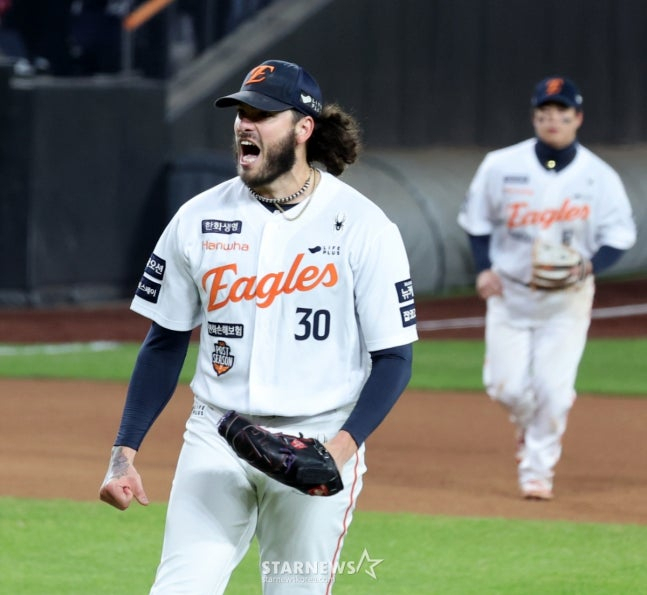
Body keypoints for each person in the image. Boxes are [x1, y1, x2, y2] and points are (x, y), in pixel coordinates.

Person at [99, 59, 418, 593]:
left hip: (317, 435)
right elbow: (164, 342)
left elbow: (395, 358)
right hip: (217, 435)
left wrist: (336, 453)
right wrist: (122, 455)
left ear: (303, 128)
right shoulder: (197, 218)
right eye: (241, 112)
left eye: (263, 114)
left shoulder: (364, 226)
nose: (245, 124)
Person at [457, 76, 636, 501]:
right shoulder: (501, 165)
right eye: (545, 112)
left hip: (567, 300)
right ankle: (527, 425)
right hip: (510, 292)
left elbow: (620, 235)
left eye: (562, 112)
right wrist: (483, 269)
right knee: (506, 388)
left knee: (554, 394)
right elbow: (477, 222)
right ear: (535, 117)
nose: (553, 119)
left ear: (578, 118)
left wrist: (591, 266)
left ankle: (537, 471)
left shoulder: (599, 176)